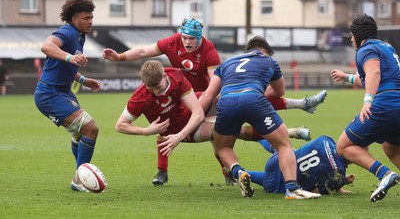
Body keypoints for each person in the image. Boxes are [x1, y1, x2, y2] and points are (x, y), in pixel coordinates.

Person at [103, 18, 327, 185]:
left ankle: (298, 108)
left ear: (200, 38)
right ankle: (165, 172)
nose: (188, 42)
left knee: (230, 119)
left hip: (204, 94)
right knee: (172, 125)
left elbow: (214, 86)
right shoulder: (170, 46)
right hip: (184, 95)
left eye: (192, 39)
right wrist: (120, 57)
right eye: (185, 38)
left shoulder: (208, 51)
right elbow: (144, 50)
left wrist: (220, 102)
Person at [114, 60, 312, 186]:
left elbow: (197, 112)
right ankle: (284, 136)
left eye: (159, 87)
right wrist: (146, 130)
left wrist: (177, 138)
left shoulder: (175, 75)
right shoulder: (140, 97)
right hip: (179, 128)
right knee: (222, 131)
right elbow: (120, 125)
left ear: (165, 76)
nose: (157, 92)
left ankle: (297, 109)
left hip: (191, 115)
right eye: (152, 89)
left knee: (230, 100)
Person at [199, 35, 321, 199]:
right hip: (254, 100)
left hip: (227, 102)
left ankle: (238, 171)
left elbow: (209, 96)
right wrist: (253, 94)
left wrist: (192, 118)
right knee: (284, 144)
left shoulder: (226, 63)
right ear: (264, 51)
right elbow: (279, 92)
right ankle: (292, 188)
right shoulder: (269, 61)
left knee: (223, 148)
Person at [34, 0, 101, 192]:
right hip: (49, 95)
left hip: (62, 92)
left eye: (91, 17)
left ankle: (78, 178)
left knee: (80, 135)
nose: (90, 21)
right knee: (91, 128)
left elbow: (64, 66)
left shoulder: (79, 35)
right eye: (86, 18)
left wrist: (83, 80)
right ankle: (80, 179)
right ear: (74, 19)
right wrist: (70, 57)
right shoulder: (67, 32)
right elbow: (46, 46)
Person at [330, 14, 400, 202]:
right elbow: (374, 77)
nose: (351, 39)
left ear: (358, 35)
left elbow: (374, 73)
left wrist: (368, 101)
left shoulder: (365, 48)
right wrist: (347, 77)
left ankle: (384, 174)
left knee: (344, 146)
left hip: (385, 105)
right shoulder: (387, 47)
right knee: (391, 149)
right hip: (397, 104)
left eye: (352, 35)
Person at [247, 135, 355, 195]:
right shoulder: (339, 175)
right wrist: (342, 182)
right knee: (268, 179)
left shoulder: (326, 139)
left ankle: (258, 136)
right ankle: (235, 173)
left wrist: (339, 183)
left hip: (277, 161)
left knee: (286, 147)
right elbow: (314, 191)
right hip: (276, 185)